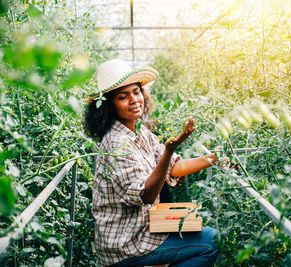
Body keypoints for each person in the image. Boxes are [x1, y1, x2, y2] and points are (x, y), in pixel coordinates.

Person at [84, 59, 220, 267]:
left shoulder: (139, 132)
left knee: (202, 233)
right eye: (123, 97)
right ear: (109, 107)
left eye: (136, 92)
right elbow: (146, 194)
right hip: (126, 245)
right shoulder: (116, 143)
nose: (134, 100)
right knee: (213, 242)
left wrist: (213, 158)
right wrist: (169, 151)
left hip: (142, 230)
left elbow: (174, 168)